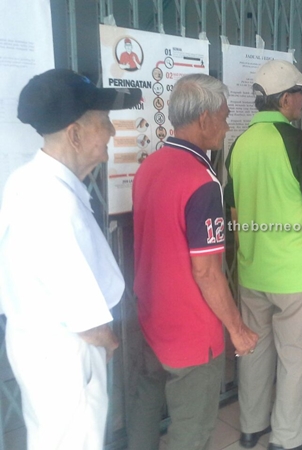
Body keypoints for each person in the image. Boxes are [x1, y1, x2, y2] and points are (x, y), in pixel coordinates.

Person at [0, 68, 141, 449]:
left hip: (47, 346)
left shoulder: (30, 181)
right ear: (75, 134)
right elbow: (84, 316)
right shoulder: (50, 200)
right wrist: (107, 341)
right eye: (104, 123)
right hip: (65, 351)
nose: (111, 132)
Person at [131, 73, 258, 450]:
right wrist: (236, 328)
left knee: (145, 406)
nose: (226, 124)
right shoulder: (202, 182)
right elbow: (206, 270)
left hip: (152, 316)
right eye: (224, 115)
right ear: (204, 119)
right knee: (192, 428)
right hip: (190, 331)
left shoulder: (149, 167)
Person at [224, 60, 302, 450]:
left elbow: (235, 214)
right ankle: (286, 440)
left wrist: (250, 254)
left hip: (253, 273)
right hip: (293, 275)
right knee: (295, 356)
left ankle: (251, 427)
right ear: (285, 99)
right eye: (300, 94)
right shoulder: (299, 143)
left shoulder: (238, 144)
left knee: (253, 352)